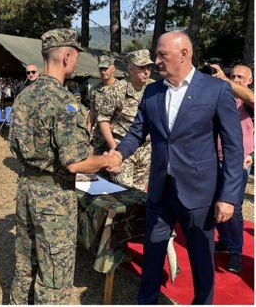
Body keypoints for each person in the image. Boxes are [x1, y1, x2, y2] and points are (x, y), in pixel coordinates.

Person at [110, 30, 243, 304]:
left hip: (199, 195)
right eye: (156, 54)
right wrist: (119, 154)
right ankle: (146, 300)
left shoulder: (216, 90)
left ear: (184, 54)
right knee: (153, 253)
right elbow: (137, 132)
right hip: (160, 192)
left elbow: (232, 148)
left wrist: (228, 197)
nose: (156, 60)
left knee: (201, 259)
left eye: (162, 54)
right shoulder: (153, 91)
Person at [8, 28, 120, 304]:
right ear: (67, 56)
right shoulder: (64, 102)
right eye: (77, 57)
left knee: (25, 264)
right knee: (55, 274)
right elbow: (75, 163)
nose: (77, 63)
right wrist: (108, 159)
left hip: (26, 189)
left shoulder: (24, 96)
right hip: (54, 196)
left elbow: (14, 145)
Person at [210, 63, 254, 272]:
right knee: (214, 204)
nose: (235, 79)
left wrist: (225, 80)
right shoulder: (221, 95)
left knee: (233, 208)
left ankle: (236, 251)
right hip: (213, 159)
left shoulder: (247, 102)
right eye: (232, 75)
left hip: (237, 163)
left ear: (249, 81)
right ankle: (226, 241)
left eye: (240, 77)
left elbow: (252, 98)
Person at [96, 49, 154, 190]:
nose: (146, 71)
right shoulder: (117, 90)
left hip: (145, 152)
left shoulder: (153, 88)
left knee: (139, 197)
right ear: (130, 68)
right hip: (122, 149)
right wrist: (114, 149)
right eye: (142, 67)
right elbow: (103, 119)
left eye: (148, 67)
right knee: (121, 194)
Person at [88, 54, 125, 155]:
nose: (103, 72)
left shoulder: (122, 88)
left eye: (106, 68)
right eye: (101, 69)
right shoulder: (94, 90)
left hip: (116, 138)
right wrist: (87, 132)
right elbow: (92, 112)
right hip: (97, 139)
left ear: (113, 69)